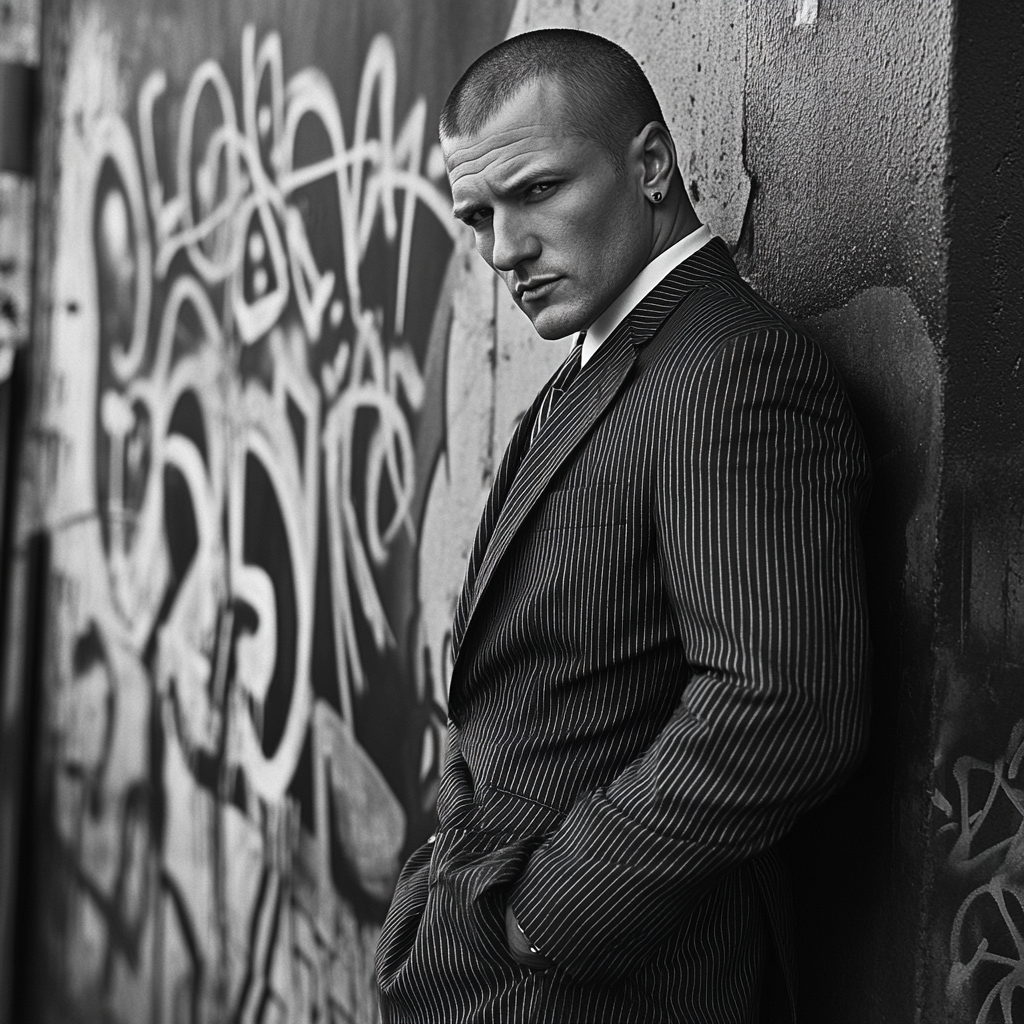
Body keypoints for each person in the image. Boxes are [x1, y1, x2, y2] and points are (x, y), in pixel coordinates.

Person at [375, 27, 870, 1024]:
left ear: (650, 165)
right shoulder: (599, 366)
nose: (502, 250)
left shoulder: (727, 370)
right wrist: (438, 897)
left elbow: (781, 701)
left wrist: (548, 915)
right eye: (476, 214)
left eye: (537, 191)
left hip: (609, 982)